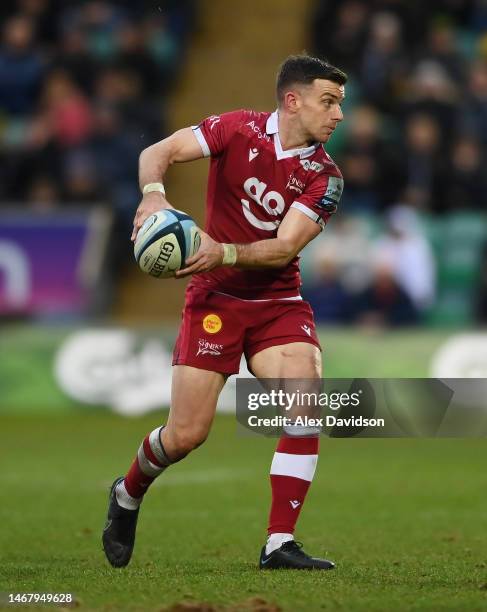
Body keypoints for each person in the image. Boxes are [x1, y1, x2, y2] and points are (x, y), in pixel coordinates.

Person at [102, 54, 346, 570]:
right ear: (292, 101)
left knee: (306, 397)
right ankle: (127, 492)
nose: (338, 114)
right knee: (186, 435)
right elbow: (159, 150)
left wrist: (224, 250)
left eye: (340, 104)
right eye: (329, 101)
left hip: (277, 303)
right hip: (214, 299)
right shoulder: (236, 130)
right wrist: (151, 197)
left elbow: (283, 248)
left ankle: (279, 542)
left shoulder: (326, 176)